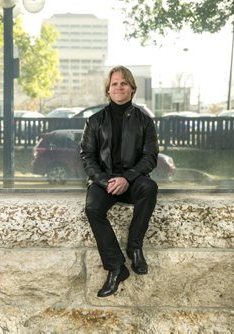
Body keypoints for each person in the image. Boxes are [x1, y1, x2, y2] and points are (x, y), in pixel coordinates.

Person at [80, 66, 159, 298]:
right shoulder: (94, 121)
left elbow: (150, 157)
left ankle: (135, 248)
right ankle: (116, 267)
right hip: (105, 182)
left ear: (132, 89)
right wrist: (106, 182)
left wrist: (127, 178)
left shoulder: (145, 122)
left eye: (124, 83)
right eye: (114, 84)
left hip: (132, 181)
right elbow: (87, 157)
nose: (119, 87)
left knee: (150, 188)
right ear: (108, 89)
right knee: (93, 208)